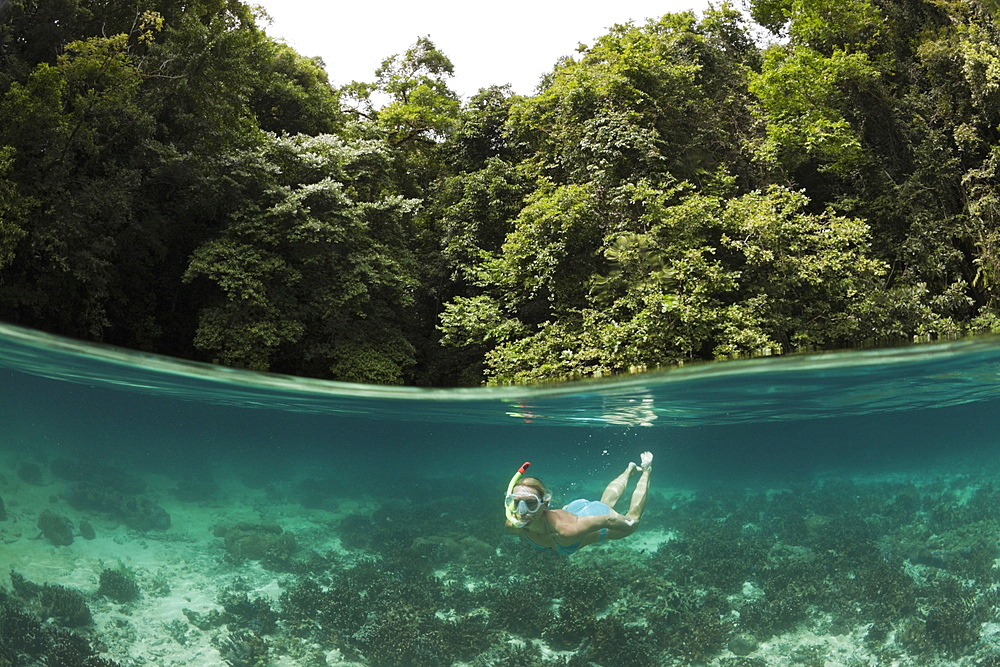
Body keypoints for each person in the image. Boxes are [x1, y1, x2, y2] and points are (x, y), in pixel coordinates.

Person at [504, 452, 653, 556]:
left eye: (531, 503)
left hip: (585, 517)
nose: (522, 511)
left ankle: (646, 470)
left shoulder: (566, 531)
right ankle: (628, 471)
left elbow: (607, 519)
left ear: (544, 504)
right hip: (573, 511)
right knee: (605, 503)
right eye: (516, 502)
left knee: (632, 519)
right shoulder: (513, 525)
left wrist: (631, 525)